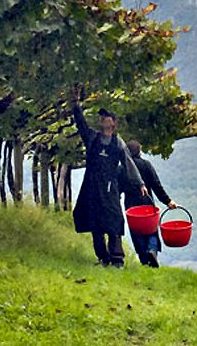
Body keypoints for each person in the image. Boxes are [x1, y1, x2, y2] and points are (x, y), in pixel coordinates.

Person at [71, 90, 146, 268]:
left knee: (113, 222)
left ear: (113, 125)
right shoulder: (92, 138)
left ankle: (117, 260)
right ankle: (103, 257)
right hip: (91, 187)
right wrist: (75, 106)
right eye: (102, 119)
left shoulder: (118, 143)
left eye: (107, 120)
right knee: (95, 223)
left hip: (110, 188)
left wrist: (140, 183)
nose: (104, 122)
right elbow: (81, 124)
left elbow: (128, 163)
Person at [122, 139, 178, 268]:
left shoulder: (123, 169)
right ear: (139, 152)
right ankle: (152, 250)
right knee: (151, 231)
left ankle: (144, 260)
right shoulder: (146, 165)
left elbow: (118, 188)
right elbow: (156, 185)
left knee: (137, 234)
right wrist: (168, 201)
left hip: (131, 207)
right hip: (147, 204)